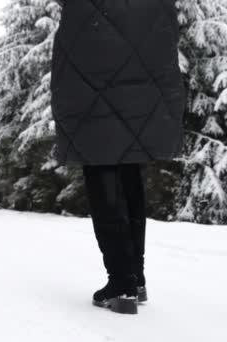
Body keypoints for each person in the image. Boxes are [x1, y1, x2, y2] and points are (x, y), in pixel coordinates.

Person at [50, 0, 186, 314]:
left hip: (91, 76)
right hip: (142, 83)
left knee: (102, 169)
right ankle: (135, 279)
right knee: (129, 168)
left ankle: (121, 282)